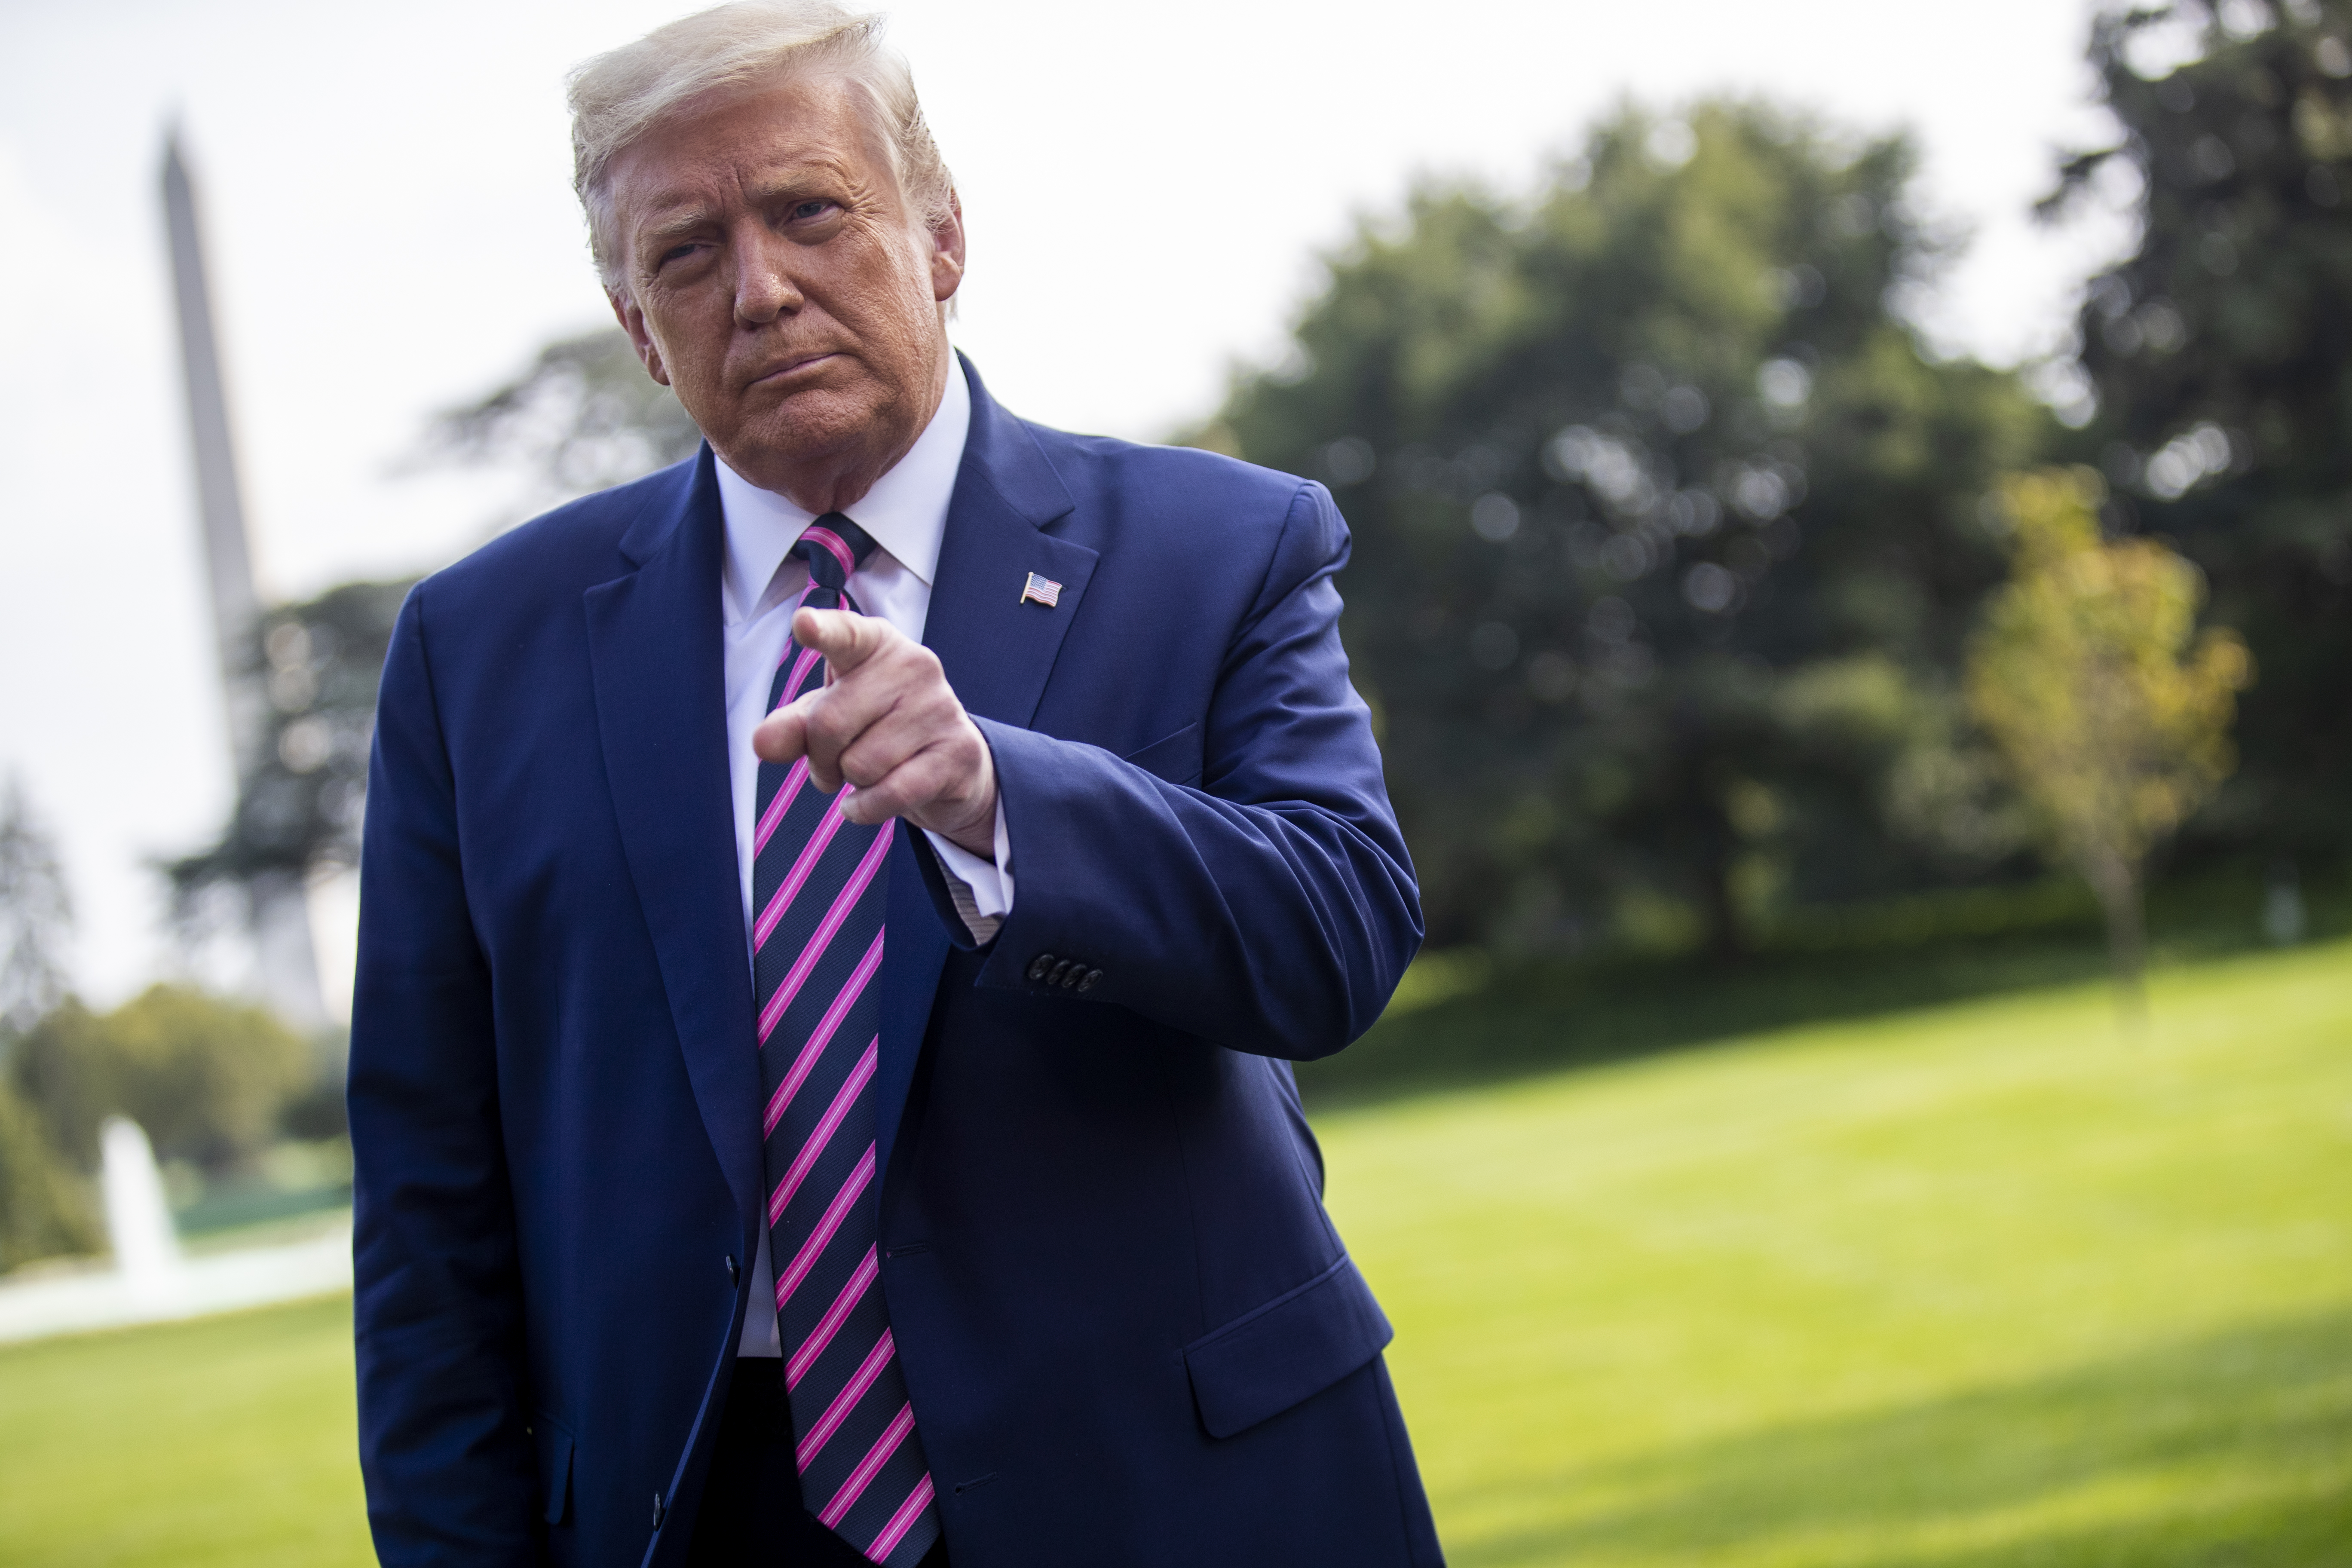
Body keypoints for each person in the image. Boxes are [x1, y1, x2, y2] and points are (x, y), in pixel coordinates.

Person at [347, 5, 1439, 1565]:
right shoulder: (478, 650)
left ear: (939, 238)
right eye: (685, 254)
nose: (763, 288)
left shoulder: (1224, 548)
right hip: (703, 1510)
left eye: (810, 211)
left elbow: (1336, 939)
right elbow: (426, 1204)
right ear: (638, 325)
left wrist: (1007, 800)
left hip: (1177, 1490)